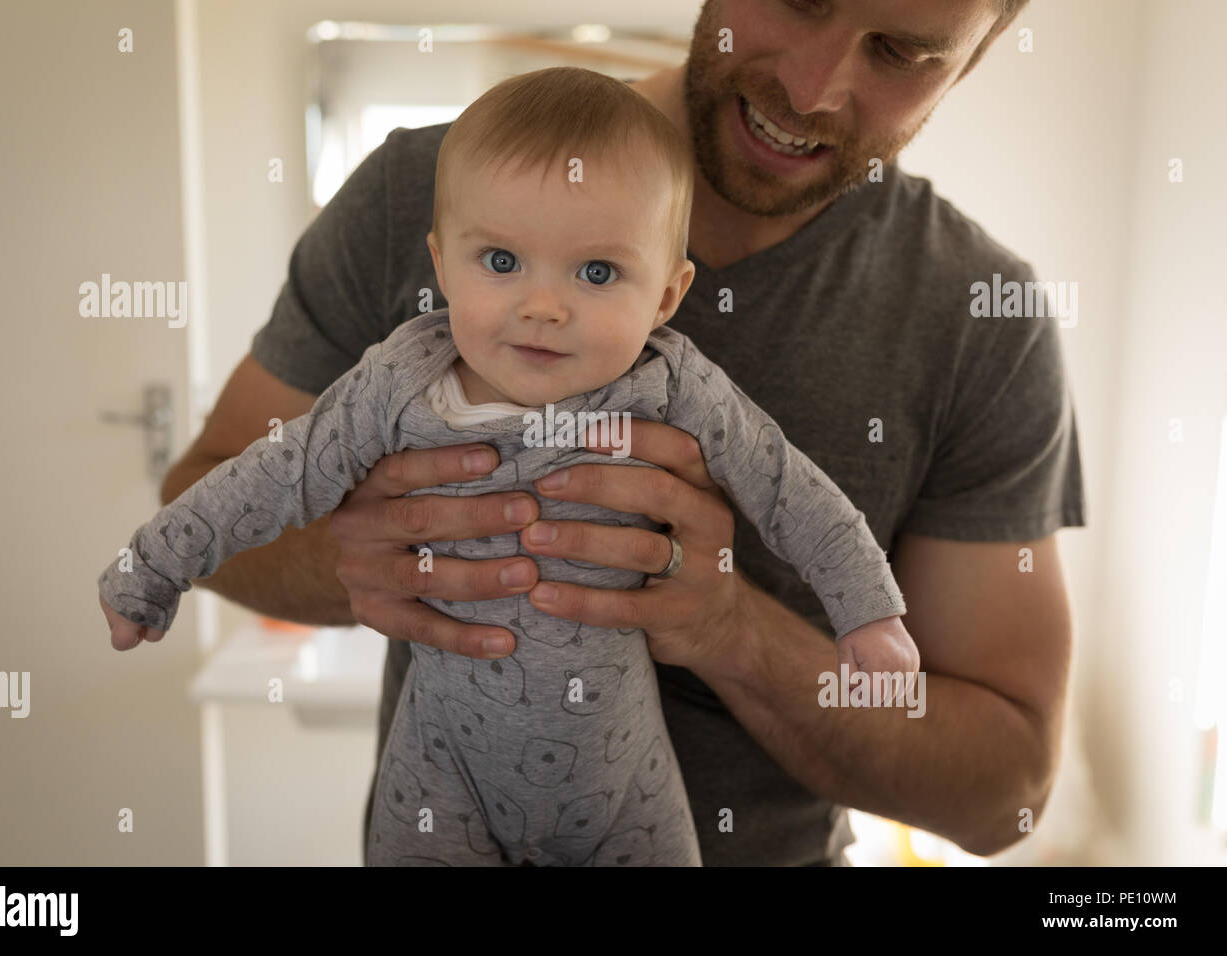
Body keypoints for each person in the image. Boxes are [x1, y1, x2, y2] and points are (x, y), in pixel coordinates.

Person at [145, 0, 1084, 866]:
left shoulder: (979, 319)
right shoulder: (418, 193)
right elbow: (208, 486)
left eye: (901, 52)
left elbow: (1006, 796)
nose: (812, 88)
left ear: (973, 56)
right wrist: (358, 555)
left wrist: (732, 629)